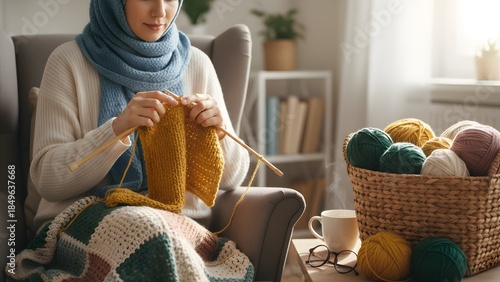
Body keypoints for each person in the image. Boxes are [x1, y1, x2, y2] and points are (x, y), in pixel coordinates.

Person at [6, 0, 252, 280]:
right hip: (81, 224)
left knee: (155, 235)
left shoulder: (198, 63)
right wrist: (116, 129)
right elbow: (47, 179)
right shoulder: (67, 61)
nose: (160, 11)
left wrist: (219, 132)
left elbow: (232, 180)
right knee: (149, 232)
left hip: (182, 230)